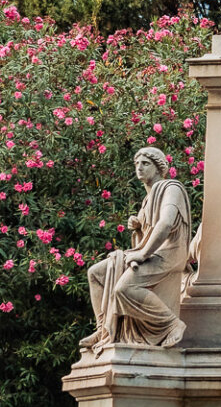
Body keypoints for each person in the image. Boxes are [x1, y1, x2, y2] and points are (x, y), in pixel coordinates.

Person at [82, 147, 192, 351]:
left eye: (145, 163)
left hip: (169, 253)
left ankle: (171, 324)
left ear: (159, 167)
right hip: (151, 253)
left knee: (124, 288)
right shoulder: (147, 199)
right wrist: (139, 227)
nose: (139, 168)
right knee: (95, 273)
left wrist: (143, 254)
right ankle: (102, 329)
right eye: (137, 164)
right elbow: (147, 234)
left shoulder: (171, 189)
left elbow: (166, 224)